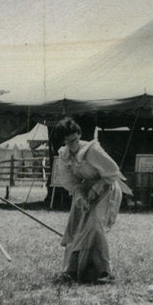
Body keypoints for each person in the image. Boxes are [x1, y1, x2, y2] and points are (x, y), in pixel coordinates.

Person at [53, 118, 129, 283]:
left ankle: (105, 272)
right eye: (68, 141)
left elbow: (113, 172)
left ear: (79, 135)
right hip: (85, 189)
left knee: (94, 225)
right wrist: (80, 195)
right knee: (76, 227)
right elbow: (70, 181)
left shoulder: (92, 150)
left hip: (106, 187)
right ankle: (72, 270)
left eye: (74, 139)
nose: (72, 144)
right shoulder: (64, 155)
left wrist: (95, 190)